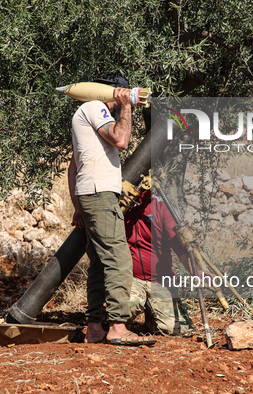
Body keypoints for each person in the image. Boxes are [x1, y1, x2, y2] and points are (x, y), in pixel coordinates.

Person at [68, 72, 155, 346]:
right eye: (120, 92)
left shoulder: (89, 113)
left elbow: (74, 165)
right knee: (118, 259)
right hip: (99, 195)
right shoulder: (95, 107)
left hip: (91, 193)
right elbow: (121, 140)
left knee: (98, 263)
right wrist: (127, 107)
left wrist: (78, 205)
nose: (121, 99)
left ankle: (95, 328)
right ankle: (118, 326)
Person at [124, 188, 196, 335]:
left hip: (161, 281)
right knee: (125, 309)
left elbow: (179, 245)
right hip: (131, 279)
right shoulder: (121, 204)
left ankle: (152, 315)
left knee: (174, 329)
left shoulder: (161, 205)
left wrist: (196, 272)